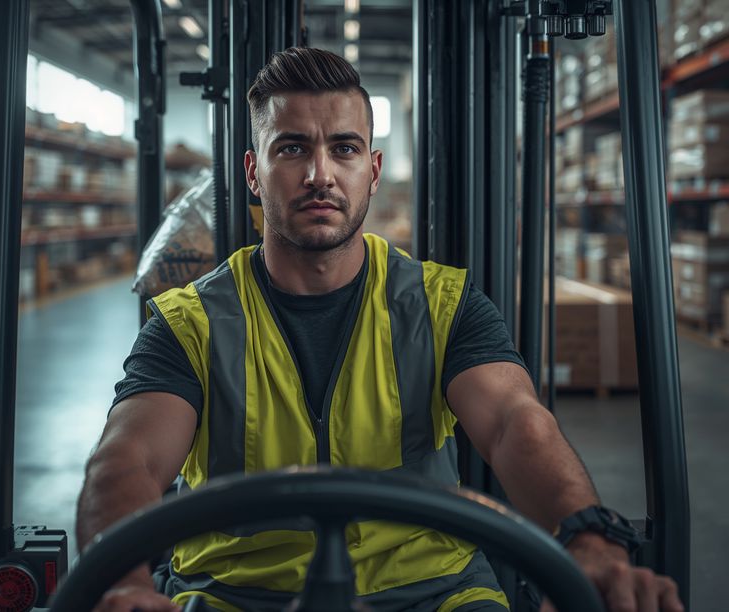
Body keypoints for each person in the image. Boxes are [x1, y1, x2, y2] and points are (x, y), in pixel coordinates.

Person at [76, 47, 684, 612]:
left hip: (433, 592)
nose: (320, 173)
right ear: (254, 174)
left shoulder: (439, 302)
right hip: (236, 594)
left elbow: (513, 423)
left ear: (371, 170)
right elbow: (129, 460)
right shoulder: (191, 322)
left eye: (342, 149)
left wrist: (586, 536)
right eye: (291, 148)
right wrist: (124, 582)